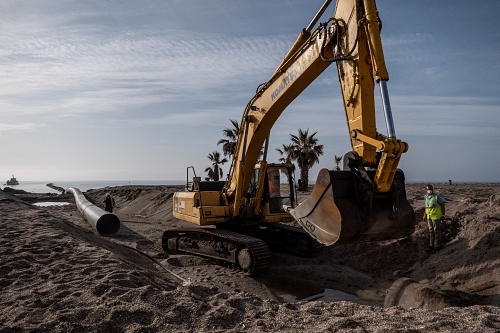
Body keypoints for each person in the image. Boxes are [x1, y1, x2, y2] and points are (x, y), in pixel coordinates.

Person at [423, 184, 445, 253]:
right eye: (428, 189)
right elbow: (426, 207)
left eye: (430, 189)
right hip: (429, 217)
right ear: (426, 190)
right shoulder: (426, 197)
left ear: (432, 189)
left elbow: (442, 205)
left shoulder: (436, 197)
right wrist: (425, 215)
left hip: (436, 217)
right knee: (431, 231)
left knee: (436, 231)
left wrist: (443, 214)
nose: (429, 190)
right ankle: (431, 245)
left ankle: (437, 246)